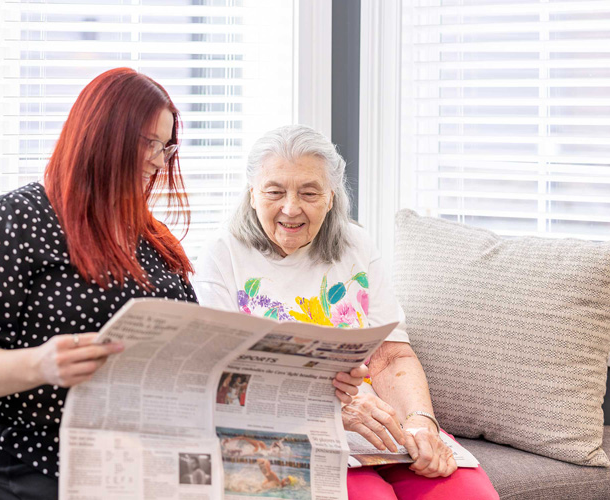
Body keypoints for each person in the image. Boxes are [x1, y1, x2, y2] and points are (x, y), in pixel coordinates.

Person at [192, 124, 499, 499]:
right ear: (252, 193)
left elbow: (389, 354)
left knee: (466, 493)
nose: (291, 208)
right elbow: (217, 376)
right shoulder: (222, 254)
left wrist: (421, 424)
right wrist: (333, 410)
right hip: (283, 431)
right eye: (275, 192)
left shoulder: (356, 244)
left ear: (331, 197)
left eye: (309, 192)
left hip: (372, 426)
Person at [0, 68, 198, 500]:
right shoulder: (11, 222)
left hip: (147, 449)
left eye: (164, 147)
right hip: (35, 453)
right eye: (146, 142)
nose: (156, 160)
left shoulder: (153, 239)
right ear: (98, 136)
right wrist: (40, 365)